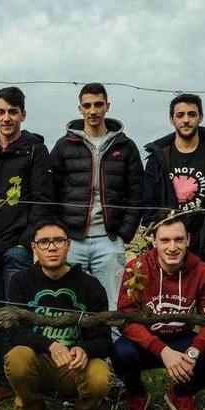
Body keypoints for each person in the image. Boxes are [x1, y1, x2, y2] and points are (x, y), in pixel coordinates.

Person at [141, 93, 205, 407]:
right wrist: (160, 242)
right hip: (172, 249)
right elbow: (149, 204)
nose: (186, 120)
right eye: (180, 114)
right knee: (165, 315)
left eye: (191, 114)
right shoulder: (160, 156)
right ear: (171, 119)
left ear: (200, 116)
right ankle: (168, 372)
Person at [0, 86, 54, 407]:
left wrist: (25, 241)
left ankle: (25, 379)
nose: (7, 118)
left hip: (16, 247)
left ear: (23, 115)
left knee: (18, 314)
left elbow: (41, 199)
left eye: (13, 112)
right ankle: (3, 381)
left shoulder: (35, 151)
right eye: (1, 112)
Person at [113, 217, 205, 410]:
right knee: (120, 352)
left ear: (188, 239)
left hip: (183, 340)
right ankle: (136, 393)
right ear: (154, 241)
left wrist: (193, 352)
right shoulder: (136, 269)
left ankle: (181, 392)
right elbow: (127, 318)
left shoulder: (202, 271)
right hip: (148, 343)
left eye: (178, 239)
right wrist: (162, 350)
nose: (172, 247)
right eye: (165, 240)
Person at [4, 220, 113, 410]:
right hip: (39, 362)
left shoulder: (90, 286)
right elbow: (15, 332)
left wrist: (85, 349)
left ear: (69, 245)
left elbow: (104, 339)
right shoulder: (21, 282)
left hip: (74, 366)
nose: (52, 247)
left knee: (100, 374)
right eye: (44, 242)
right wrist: (49, 345)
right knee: (16, 358)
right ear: (34, 247)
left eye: (58, 241)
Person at [50, 83, 143, 319]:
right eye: (87, 105)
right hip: (71, 240)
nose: (93, 111)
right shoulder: (63, 146)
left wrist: (123, 233)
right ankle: (67, 354)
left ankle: (111, 356)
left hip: (109, 240)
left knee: (113, 307)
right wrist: (59, 233)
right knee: (66, 304)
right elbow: (51, 191)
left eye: (98, 105)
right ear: (80, 109)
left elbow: (136, 193)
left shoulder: (125, 146)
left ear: (107, 106)